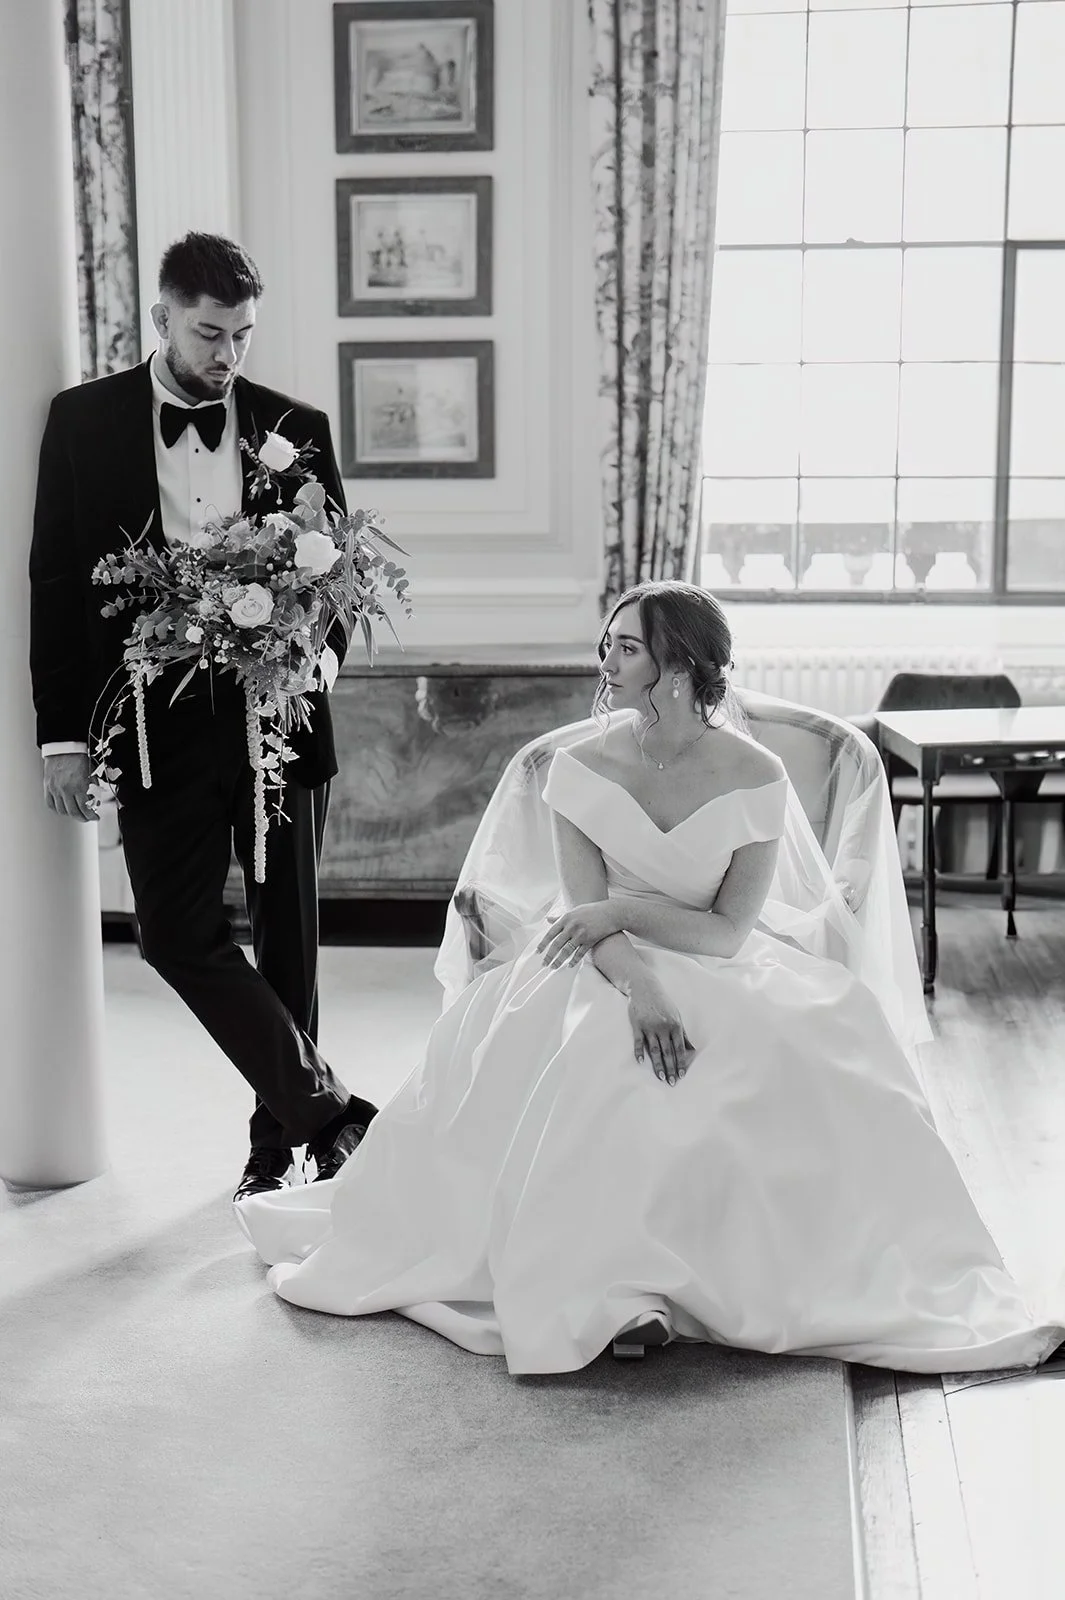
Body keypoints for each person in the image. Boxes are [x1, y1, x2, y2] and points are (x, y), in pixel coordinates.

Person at [234, 580, 1064, 1376]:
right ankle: (612, 1283)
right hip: (591, 959)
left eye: (625, 647)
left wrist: (615, 918)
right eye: (607, 642)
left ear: (678, 665)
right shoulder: (579, 765)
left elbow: (730, 928)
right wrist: (636, 981)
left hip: (710, 954)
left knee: (817, 1046)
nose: (605, 660)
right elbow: (580, 907)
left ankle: (729, 1274)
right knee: (594, 1052)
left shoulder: (755, 775)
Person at [29, 231, 377, 1201]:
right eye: (209, 333)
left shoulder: (293, 425)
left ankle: (284, 1141)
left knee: (289, 939)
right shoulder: (85, 422)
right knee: (175, 933)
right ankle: (334, 1110)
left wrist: (312, 666)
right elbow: (56, 584)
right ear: (161, 318)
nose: (228, 357)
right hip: (153, 722)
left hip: (277, 718)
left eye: (243, 336)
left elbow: (341, 582)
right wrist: (63, 737)